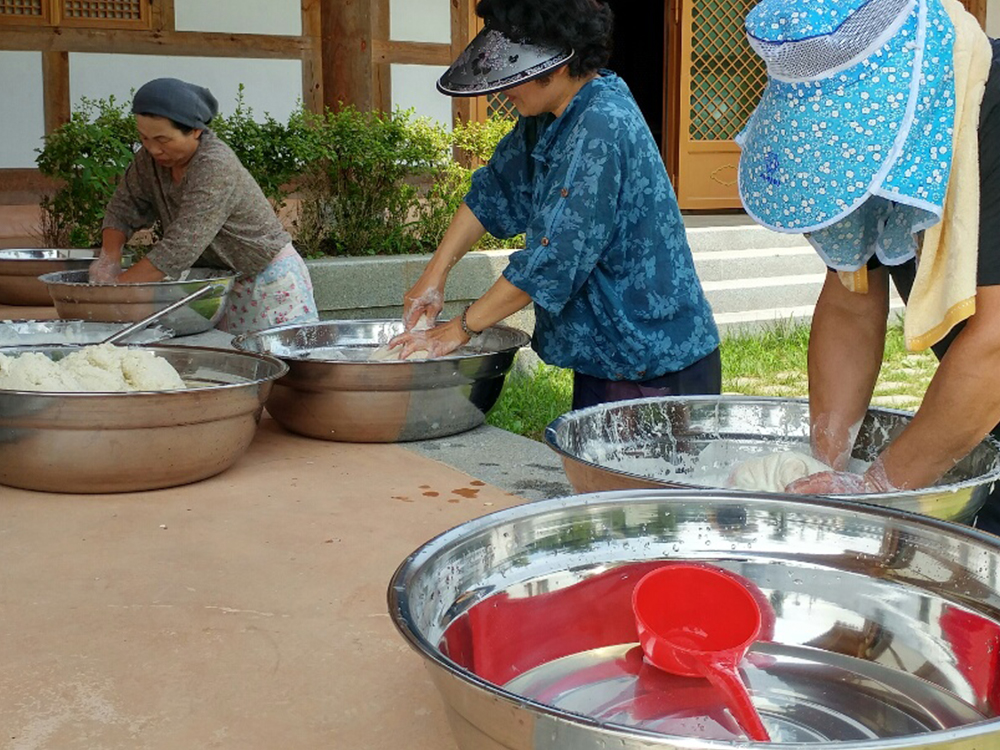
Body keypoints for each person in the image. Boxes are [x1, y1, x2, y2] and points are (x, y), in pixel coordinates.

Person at [736, 0, 1000, 531]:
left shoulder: (985, 117)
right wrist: (824, 466)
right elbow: (852, 301)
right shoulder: (892, 144)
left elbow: (995, 346)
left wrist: (875, 491)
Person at [390, 0, 721, 410]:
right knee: (598, 472)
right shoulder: (548, 114)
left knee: (638, 477)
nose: (503, 87)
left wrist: (460, 328)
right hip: (607, 357)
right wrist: (433, 277)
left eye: (513, 72)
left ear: (558, 65)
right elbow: (493, 191)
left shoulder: (600, 123)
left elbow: (551, 259)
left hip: (652, 360)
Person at [90, 77, 318, 335]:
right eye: (144, 137)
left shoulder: (215, 165)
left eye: (163, 139)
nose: (153, 148)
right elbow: (123, 205)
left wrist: (117, 292)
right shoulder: (148, 161)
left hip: (267, 280)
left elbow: (182, 244)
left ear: (195, 130)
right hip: (218, 284)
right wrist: (109, 259)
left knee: (284, 366)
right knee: (228, 366)